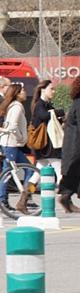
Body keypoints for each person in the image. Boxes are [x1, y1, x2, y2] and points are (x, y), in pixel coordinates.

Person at [0, 83, 34, 213]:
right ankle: (3, 201)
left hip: (10, 144)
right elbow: (12, 126)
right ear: (17, 93)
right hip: (10, 144)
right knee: (7, 173)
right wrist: (20, 138)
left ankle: (24, 198)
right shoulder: (17, 107)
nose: (25, 92)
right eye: (23, 90)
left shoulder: (13, 106)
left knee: (28, 170)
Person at [57, 78, 80, 213]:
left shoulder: (76, 102)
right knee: (73, 174)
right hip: (76, 146)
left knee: (73, 175)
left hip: (73, 146)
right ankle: (66, 198)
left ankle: (66, 199)